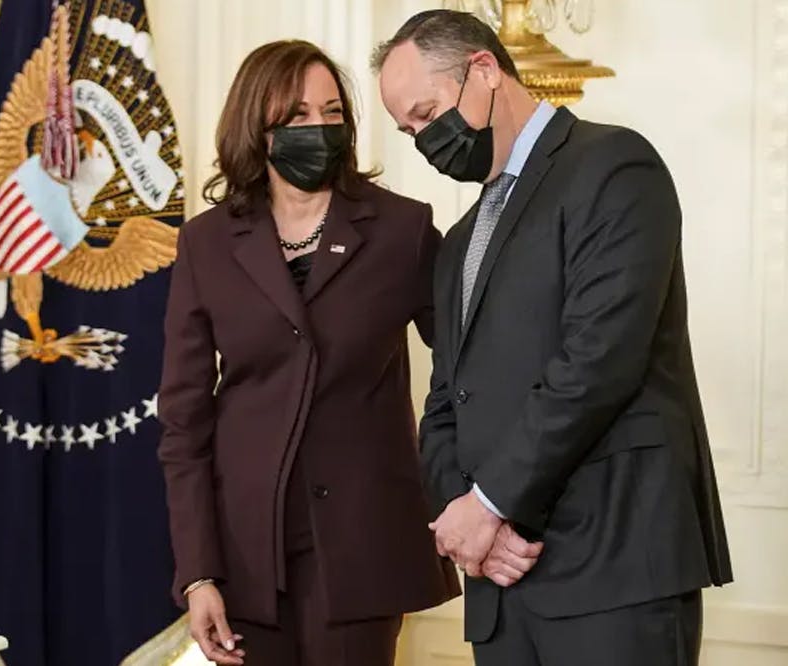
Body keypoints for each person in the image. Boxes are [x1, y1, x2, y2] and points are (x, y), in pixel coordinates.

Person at [371, 10, 734, 666]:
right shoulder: (457, 246)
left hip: (615, 571)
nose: (424, 140)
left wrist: (487, 506)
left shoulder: (614, 166)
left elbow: (599, 362)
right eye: (409, 130)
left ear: (483, 71)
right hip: (503, 586)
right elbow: (449, 401)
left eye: (426, 114)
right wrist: (465, 515)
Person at [157, 39, 459, 666]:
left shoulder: (401, 230)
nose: (318, 129)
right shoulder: (206, 244)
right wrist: (198, 574)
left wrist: (470, 486)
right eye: (296, 116)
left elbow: (468, 365)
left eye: (331, 112)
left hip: (361, 544)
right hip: (244, 552)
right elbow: (183, 423)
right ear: (255, 124)